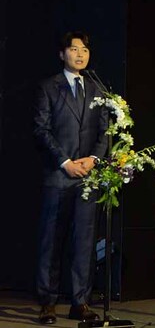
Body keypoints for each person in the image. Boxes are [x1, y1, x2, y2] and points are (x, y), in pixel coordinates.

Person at [33, 31, 109, 324]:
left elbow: (105, 132)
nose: (80, 54)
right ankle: (47, 303)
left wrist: (93, 159)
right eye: (74, 49)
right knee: (51, 242)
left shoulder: (97, 89)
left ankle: (80, 302)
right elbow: (41, 130)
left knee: (84, 243)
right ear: (62, 54)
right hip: (59, 175)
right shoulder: (48, 87)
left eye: (85, 50)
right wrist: (65, 162)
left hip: (87, 177)